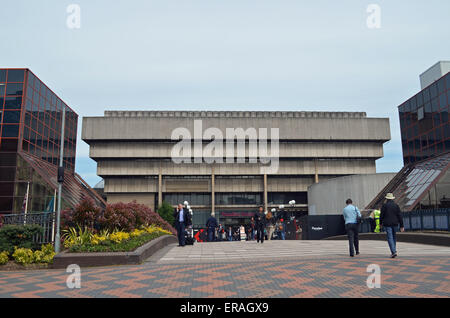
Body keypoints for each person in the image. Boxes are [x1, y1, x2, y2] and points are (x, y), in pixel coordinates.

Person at [380, 193, 404, 258]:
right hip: (395, 223)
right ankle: (394, 251)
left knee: (390, 237)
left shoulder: (384, 206)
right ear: (392, 198)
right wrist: (402, 225)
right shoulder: (396, 205)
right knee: (394, 237)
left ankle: (393, 252)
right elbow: (400, 216)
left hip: (387, 224)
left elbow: (381, 215)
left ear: (387, 198)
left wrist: (380, 223)